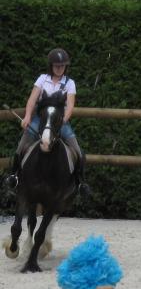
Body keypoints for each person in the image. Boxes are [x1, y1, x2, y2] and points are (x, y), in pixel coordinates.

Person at [6, 47, 86, 193]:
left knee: (77, 150)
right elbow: (32, 99)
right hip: (40, 118)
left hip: (59, 120)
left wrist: (63, 121)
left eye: (62, 66)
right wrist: (28, 116)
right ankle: (14, 175)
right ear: (51, 66)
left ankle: (79, 182)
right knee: (22, 144)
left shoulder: (70, 83)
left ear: (65, 66)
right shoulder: (42, 79)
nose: (59, 68)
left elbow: (70, 105)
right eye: (57, 66)